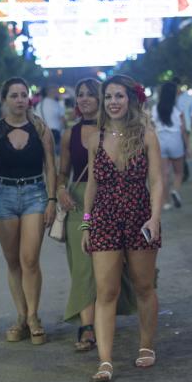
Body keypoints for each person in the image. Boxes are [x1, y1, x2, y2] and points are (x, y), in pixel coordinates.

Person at [81, 74, 163, 382]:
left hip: (140, 216)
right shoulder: (95, 139)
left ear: (130, 99)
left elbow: (156, 181)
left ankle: (146, 344)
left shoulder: (146, 136)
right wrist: (86, 223)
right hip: (104, 218)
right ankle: (105, 361)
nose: (113, 102)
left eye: (119, 96)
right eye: (109, 97)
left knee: (144, 285)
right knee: (106, 291)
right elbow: (91, 185)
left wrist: (154, 218)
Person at [57, 78, 136, 352]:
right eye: (80, 95)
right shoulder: (70, 134)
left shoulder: (113, 130)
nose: (85, 99)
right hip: (79, 203)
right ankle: (87, 325)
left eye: (91, 94)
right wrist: (59, 190)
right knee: (82, 267)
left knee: (115, 266)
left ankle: (107, 315)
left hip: (113, 198)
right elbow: (62, 170)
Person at [0, 77, 57, 345]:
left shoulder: (40, 128)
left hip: (35, 194)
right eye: (14, 95)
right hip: (3, 196)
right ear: (5, 99)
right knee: (13, 261)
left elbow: (51, 167)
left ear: (29, 98)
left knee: (30, 259)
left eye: (24, 94)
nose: (20, 99)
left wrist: (52, 199)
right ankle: (21, 317)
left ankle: (34, 316)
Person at [152, 81, 187, 209]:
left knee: (164, 174)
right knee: (179, 172)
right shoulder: (178, 110)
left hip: (161, 141)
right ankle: (175, 191)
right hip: (175, 141)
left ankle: (166, 202)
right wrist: (187, 147)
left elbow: (152, 125)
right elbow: (183, 130)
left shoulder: (155, 108)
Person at [173, 77, 192, 182]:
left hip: (186, 126)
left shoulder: (188, 97)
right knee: (180, 149)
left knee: (183, 148)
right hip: (175, 127)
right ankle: (182, 172)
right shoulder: (171, 98)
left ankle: (183, 172)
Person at [37, 86, 66, 155]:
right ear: (49, 92)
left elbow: (38, 122)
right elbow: (63, 121)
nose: (57, 92)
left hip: (44, 135)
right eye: (55, 90)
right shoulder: (56, 104)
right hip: (56, 135)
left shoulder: (39, 105)